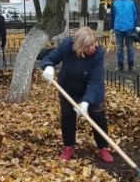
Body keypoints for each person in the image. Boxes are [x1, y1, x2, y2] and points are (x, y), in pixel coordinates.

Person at [41, 27, 113, 163]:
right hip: (68, 87)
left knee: (98, 116)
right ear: (79, 46)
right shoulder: (67, 46)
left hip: (92, 89)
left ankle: (103, 147)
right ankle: (68, 146)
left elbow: (96, 81)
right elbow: (50, 58)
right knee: (67, 116)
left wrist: (86, 102)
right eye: (88, 46)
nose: (93, 48)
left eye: (94, 44)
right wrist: (48, 66)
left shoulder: (98, 54)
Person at [109, 0, 139, 71]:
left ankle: (131, 66)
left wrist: (137, 25)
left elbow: (137, 13)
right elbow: (112, 16)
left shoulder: (132, 1)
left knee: (130, 48)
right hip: (118, 28)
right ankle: (120, 65)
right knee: (119, 48)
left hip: (130, 28)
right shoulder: (115, 2)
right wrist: (111, 27)